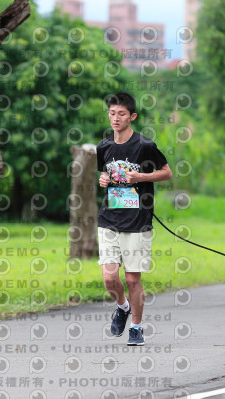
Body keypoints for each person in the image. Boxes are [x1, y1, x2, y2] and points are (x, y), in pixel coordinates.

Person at [96, 92, 173, 345]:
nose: (115, 118)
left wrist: (141, 178)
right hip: (109, 218)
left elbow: (166, 173)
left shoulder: (145, 146)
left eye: (121, 114)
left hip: (137, 221)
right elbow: (105, 177)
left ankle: (137, 328)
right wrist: (103, 180)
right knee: (109, 278)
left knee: (132, 278)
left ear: (132, 117)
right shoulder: (104, 147)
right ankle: (122, 307)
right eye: (112, 113)